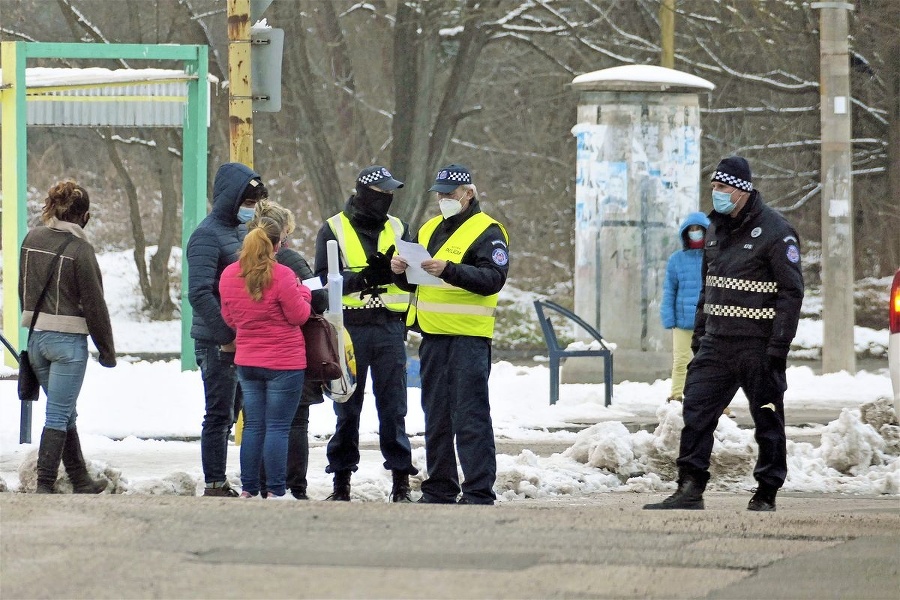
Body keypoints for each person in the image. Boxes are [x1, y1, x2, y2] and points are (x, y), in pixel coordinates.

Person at [644, 156, 804, 512]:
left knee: (767, 418)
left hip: (758, 346)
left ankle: (767, 490)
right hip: (716, 345)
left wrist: (779, 345)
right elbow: (707, 289)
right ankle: (690, 487)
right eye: (714, 187)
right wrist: (700, 336)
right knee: (696, 414)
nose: (716, 194)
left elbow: (791, 293)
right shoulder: (714, 230)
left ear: (743, 190)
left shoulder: (777, 232)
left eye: (723, 188)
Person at [391, 164, 510, 505]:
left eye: (449, 193)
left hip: (468, 339)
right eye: (440, 193)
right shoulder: (429, 229)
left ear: (468, 194)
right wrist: (400, 271)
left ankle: (477, 490)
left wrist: (450, 270)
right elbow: (416, 280)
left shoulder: (488, 231)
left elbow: (492, 279)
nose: (443, 199)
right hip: (432, 337)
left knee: (470, 416)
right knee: (437, 416)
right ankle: (440, 487)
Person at [314, 165, 417, 502]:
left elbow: (413, 277)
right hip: (349, 329)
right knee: (347, 408)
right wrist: (363, 278)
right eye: (380, 194)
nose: (386, 200)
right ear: (362, 193)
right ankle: (340, 483)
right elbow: (321, 284)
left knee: (394, 409)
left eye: (390, 194)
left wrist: (397, 273)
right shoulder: (332, 228)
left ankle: (401, 481)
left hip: (389, 328)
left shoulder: (399, 227)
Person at [19, 180, 116, 494]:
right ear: (84, 216)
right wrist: (107, 351)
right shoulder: (81, 250)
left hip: (36, 340)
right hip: (67, 344)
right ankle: (45, 484)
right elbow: (94, 305)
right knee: (59, 413)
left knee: (64, 409)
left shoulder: (31, 238)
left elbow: (24, 287)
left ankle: (80, 479)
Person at [187, 162, 267, 497]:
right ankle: (215, 482)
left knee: (234, 412)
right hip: (216, 341)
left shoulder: (239, 232)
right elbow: (199, 292)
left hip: (239, 339)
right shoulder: (206, 236)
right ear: (229, 200)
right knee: (218, 414)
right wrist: (227, 335)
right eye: (246, 203)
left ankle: (227, 479)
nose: (250, 210)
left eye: (254, 204)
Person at [219, 216, 313, 499]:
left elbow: (229, 318)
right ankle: (274, 489)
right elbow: (299, 315)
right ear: (275, 246)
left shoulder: (229, 275)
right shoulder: (283, 275)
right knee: (278, 427)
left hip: (248, 362)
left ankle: (249, 488)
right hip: (285, 363)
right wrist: (304, 292)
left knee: (253, 426)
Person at [251, 200, 329, 500]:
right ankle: (294, 485)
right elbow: (319, 300)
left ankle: (259, 483)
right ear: (282, 232)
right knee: (295, 421)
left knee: (259, 420)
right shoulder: (291, 261)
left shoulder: (243, 260)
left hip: (252, 352)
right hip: (290, 350)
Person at [660, 211, 710, 403]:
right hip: (683, 320)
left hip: (708, 318)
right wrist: (669, 317)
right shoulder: (676, 259)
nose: (695, 233)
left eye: (699, 229)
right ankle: (676, 395)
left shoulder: (714, 256)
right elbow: (669, 290)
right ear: (685, 233)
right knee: (681, 360)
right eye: (692, 229)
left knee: (710, 363)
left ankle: (716, 402)